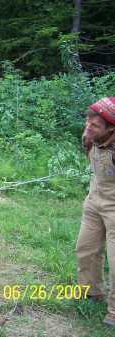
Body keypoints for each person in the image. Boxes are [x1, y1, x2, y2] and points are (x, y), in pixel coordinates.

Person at [76, 97, 115, 327]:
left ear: (111, 128)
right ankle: (92, 291)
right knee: (86, 247)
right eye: (88, 122)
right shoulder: (89, 135)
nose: (88, 127)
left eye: (95, 125)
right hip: (95, 195)